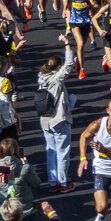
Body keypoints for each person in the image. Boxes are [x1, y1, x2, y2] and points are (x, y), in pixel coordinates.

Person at [39, 34, 78, 193]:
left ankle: (52, 181)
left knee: (51, 152)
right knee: (62, 152)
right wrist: (66, 43)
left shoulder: (41, 79)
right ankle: (63, 183)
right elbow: (69, 64)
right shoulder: (56, 79)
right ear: (58, 67)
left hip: (45, 121)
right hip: (59, 120)